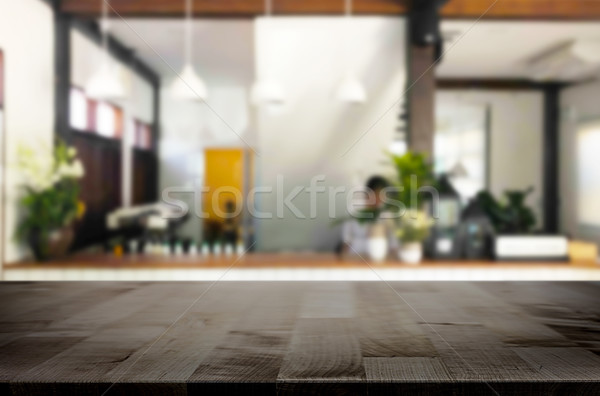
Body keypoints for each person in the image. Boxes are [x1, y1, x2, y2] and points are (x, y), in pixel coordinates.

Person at [340, 175, 398, 259]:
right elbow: (346, 240)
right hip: (356, 255)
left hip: (381, 256)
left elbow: (393, 243)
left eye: (383, 195)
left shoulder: (387, 213)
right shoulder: (354, 209)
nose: (380, 198)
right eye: (377, 194)